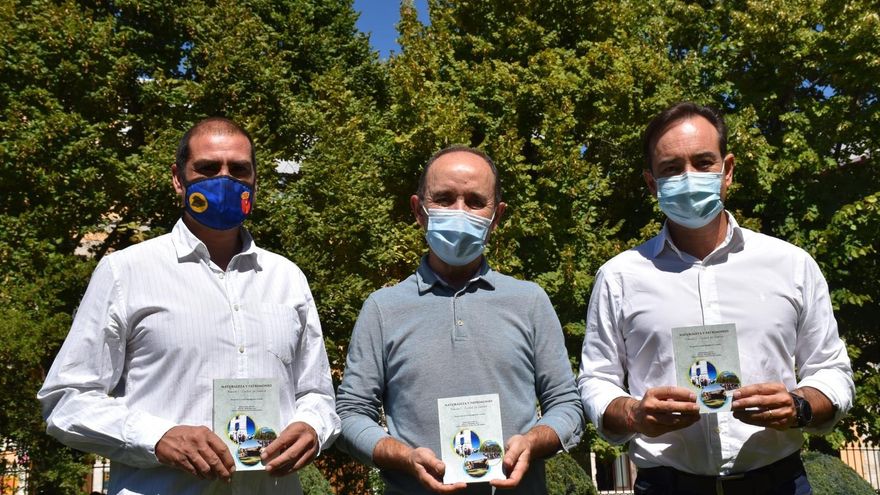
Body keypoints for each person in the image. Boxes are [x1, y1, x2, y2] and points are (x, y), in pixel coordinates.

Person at [38, 117, 339, 494]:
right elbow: (66, 400)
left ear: (255, 182)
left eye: (239, 170)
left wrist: (312, 427)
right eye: (208, 168)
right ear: (178, 179)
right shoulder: (126, 272)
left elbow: (317, 395)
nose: (225, 179)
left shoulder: (287, 278)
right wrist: (156, 437)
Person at [578, 102, 855, 494]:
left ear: (727, 171)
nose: (689, 177)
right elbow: (596, 378)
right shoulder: (619, 276)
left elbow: (832, 370)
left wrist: (800, 406)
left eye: (703, 162)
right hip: (667, 486)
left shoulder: (791, 264)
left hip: (778, 483)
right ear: (652, 184)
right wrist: (633, 413)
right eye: (671, 168)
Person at [335, 145, 585, 494]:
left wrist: (533, 441)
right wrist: (403, 456)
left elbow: (567, 405)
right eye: (444, 199)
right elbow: (350, 415)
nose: (459, 211)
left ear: (496, 216)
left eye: (475, 201)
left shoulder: (530, 301)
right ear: (419, 211)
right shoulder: (382, 308)